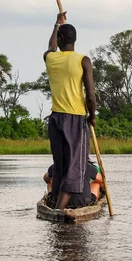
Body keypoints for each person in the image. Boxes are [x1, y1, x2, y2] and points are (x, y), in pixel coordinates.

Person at [44, 12, 97, 210]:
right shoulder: (83, 60)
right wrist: (92, 117)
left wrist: (56, 25)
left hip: (55, 119)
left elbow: (51, 47)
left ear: (60, 39)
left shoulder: (50, 58)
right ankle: (59, 210)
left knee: (60, 164)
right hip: (75, 119)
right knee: (75, 165)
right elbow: (90, 95)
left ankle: (56, 205)